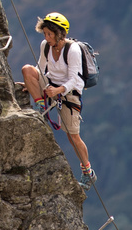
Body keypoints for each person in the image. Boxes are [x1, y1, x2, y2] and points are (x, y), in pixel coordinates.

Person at [21, 12, 97, 190]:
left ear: (59, 33)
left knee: (73, 137)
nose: (46, 38)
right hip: (50, 86)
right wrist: (32, 83)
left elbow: (75, 80)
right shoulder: (45, 46)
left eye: (50, 34)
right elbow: (40, 67)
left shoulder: (72, 50)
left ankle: (88, 172)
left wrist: (58, 90)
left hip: (68, 93)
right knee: (27, 70)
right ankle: (40, 107)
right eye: (45, 33)